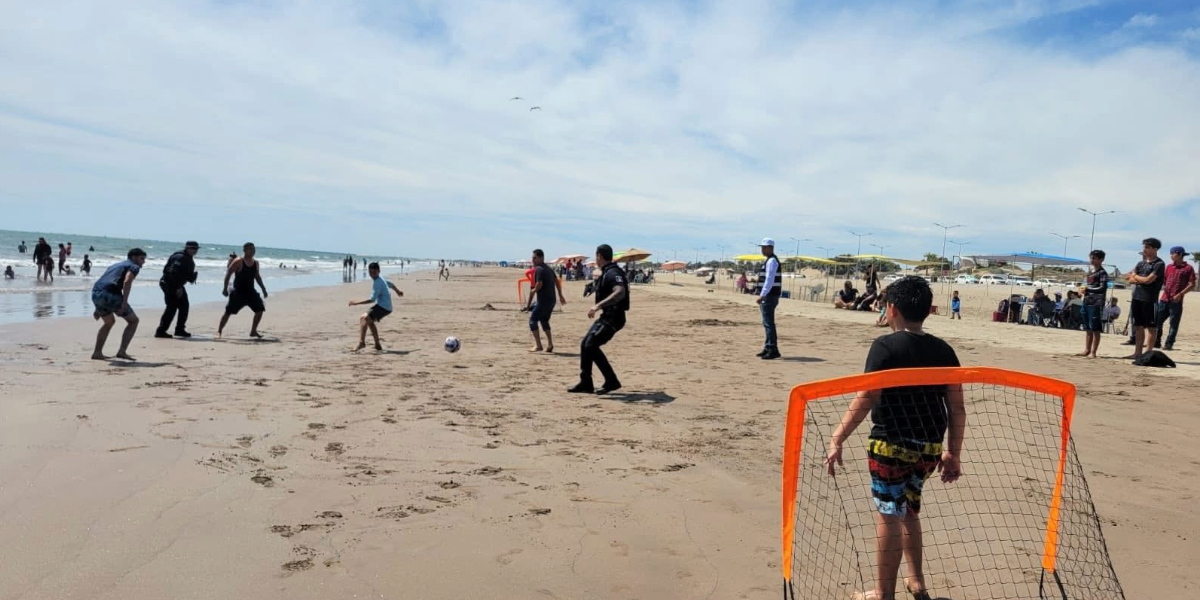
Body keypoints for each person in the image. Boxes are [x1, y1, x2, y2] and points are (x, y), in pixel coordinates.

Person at [824, 276, 965, 600]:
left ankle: (883, 593)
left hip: (890, 447)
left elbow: (867, 396)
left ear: (891, 309)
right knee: (910, 511)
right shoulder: (944, 349)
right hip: (929, 450)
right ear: (927, 311)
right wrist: (952, 453)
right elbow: (956, 408)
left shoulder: (884, 346)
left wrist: (838, 436)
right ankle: (916, 583)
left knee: (889, 513)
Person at [568, 244, 628, 395]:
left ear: (599, 256)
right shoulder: (607, 272)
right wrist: (593, 287)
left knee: (591, 345)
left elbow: (620, 292)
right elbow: (607, 286)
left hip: (614, 318)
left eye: (596, 256)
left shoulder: (613, 272)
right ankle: (586, 382)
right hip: (607, 317)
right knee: (585, 344)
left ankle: (611, 380)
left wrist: (598, 305)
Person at [91, 248, 147, 361]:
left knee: (109, 322)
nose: (143, 262)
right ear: (133, 257)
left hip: (96, 293)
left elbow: (104, 281)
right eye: (142, 259)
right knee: (133, 321)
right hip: (111, 294)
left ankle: (97, 353)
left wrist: (97, 307)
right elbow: (127, 281)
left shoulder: (114, 265)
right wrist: (124, 302)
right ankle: (122, 351)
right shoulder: (134, 266)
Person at [348, 262, 403, 352]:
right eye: (370, 273)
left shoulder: (377, 283)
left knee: (363, 318)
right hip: (387, 307)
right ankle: (377, 344)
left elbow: (372, 300)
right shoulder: (381, 279)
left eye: (374, 273)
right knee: (369, 321)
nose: (372, 275)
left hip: (383, 307)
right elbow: (391, 284)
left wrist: (356, 303)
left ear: (379, 271)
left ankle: (361, 343)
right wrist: (398, 291)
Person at [218, 243, 269, 339]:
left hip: (251, 292)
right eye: (251, 249)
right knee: (228, 312)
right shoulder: (238, 261)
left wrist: (263, 289)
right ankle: (219, 331)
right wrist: (225, 288)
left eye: (254, 249)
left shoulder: (256, 263)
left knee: (260, 309)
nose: (253, 251)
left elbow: (257, 277)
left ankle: (253, 331)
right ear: (245, 250)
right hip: (238, 293)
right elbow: (228, 273)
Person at [1125, 238, 1165, 359]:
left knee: (1151, 327)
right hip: (1137, 297)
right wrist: (1137, 279)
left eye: (1147, 247)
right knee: (1138, 326)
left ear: (1155, 249)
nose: (1144, 249)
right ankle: (1137, 352)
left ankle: (1148, 353)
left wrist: (1136, 277)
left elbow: (1148, 280)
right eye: (1144, 247)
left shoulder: (1159, 264)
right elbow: (1129, 278)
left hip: (1150, 299)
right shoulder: (1140, 263)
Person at [524, 249, 567, 353]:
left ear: (541, 258)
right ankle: (550, 344)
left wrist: (533, 291)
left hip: (543, 301)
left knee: (532, 321)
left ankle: (538, 345)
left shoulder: (538, 269)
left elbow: (539, 285)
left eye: (535, 258)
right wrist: (560, 295)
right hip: (552, 300)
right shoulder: (548, 268)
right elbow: (556, 281)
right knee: (544, 321)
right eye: (532, 258)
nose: (533, 260)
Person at [155, 241, 200, 339]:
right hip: (170, 284)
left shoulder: (187, 258)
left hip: (175, 284)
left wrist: (191, 277)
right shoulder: (181, 257)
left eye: (196, 249)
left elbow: (182, 273)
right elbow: (173, 273)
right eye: (192, 248)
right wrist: (178, 288)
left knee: (184, 306)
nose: (195, 250)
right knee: (172, 307)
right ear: (187, 248)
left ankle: (179, 329)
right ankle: (161, 331)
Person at [1155, 246, 1196, 351]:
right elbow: (1164, 281)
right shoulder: (1168, 267)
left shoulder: (1188, 268)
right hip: (1164, 299)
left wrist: (1180, 294)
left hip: (1177, 301)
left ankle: (1169, 343)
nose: (1171, 256)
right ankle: (1156, 342)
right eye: (1171, 253)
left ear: (1180, 254)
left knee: (1173, 324)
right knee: (1157, 321)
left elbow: (1191, 284)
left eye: (1173, 253)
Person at [756, 238, 783, 360]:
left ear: (770, 248)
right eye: (762, 247)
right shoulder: (769, 260)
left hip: (770, 295)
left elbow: (769, 279)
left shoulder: (772, 261)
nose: (762, 249)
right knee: (767, 322)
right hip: (771, 295)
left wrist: (763, 294)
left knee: (768, 323)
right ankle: (768, 347)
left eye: (764, 247)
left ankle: (772, 348)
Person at [1078, 250, 1108, 358]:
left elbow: (1102, 288)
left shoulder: (1102, 273)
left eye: (1094, 258)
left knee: (1095, 328)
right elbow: (1087, 285)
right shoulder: (1090, 271)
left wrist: (1088, 289)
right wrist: (1083, 290)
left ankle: (1093, 352)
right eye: (1091, 258)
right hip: (1087, 301)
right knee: (1087, 327)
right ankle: (1087, 349)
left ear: (1101, 259)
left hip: (1096, 302)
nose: (1092, 260)